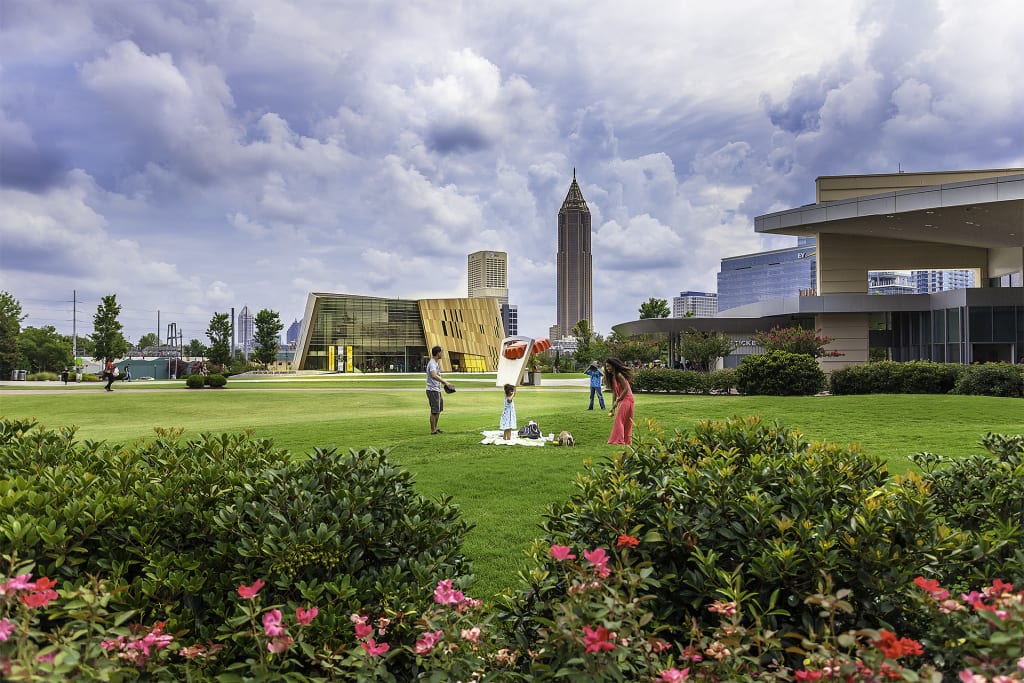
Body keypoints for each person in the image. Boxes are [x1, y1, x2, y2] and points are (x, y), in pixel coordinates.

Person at [604, 357, 635, 445]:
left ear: (614, 366)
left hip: (628, 399)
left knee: (620, 420)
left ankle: (618, 440)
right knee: (624, 421)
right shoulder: (613, 377)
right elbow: (614, 392)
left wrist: (618, 400)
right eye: (606, 367)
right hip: (623, 399)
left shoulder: (619, 375)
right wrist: (613, 407)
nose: (607, 368)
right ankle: (626, 441)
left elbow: (626, 389)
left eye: (609, 366)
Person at [426, 345, 453, 434]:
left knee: (438, 410)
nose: (442, 354)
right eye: (441, 352)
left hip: (436, 389)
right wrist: (445, 382)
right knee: (434, 410)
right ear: (438, 353)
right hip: (432, 390)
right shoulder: (432, 363)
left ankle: (435, 428)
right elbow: (433, 375)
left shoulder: (435, 363)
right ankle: (433, 430)